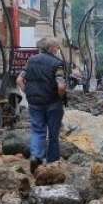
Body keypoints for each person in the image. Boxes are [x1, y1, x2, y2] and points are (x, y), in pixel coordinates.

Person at [16, 37, 67, 174]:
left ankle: (36, 156)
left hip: (34, 102)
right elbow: (61, 85)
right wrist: (60, 97)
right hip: (52, 102)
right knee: (53, 135)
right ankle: (52, 163)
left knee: (38, 131)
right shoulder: (57, 63)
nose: (57, 50)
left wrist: (28, 92)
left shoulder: (31, 60)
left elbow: (19, 79)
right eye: (56, 47)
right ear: (51, 48)